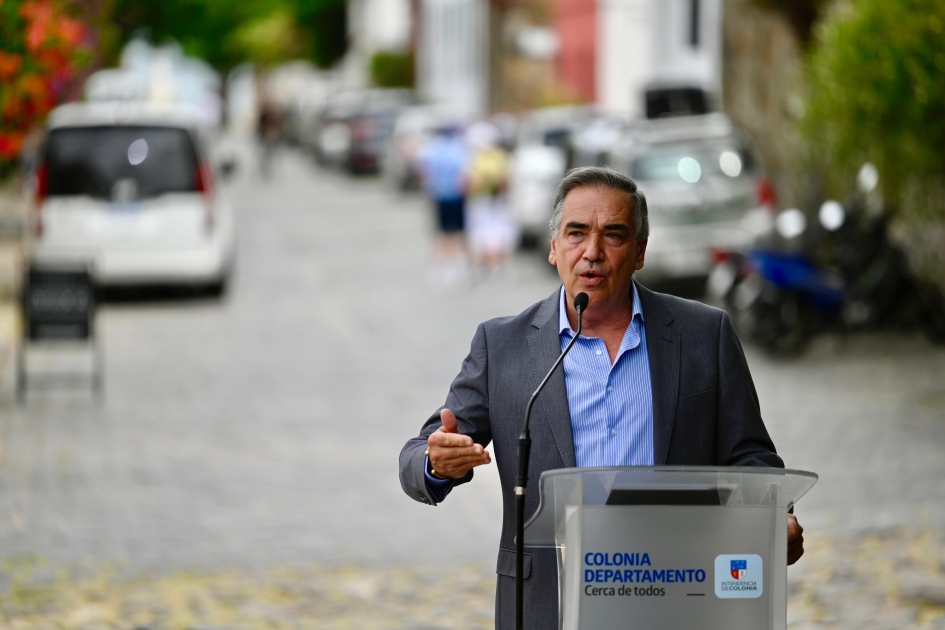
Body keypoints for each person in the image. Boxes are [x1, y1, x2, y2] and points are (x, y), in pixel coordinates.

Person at [399, 166, 805, 630]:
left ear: (639, 252)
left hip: (678, 593)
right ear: (553, 247)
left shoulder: (703, 334)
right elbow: (418, 455)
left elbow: (750, 456)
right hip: (550, 604)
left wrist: (774, 518)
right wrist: (435, 463)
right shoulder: (502, 346)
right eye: (576, 233)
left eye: (613, 235)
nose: (592, 252)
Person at [415, 125, 471, 286]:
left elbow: (422, 170)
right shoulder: (459, 147)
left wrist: (429, 186)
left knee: (442, 234)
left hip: (439, 196)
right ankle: (457, 270)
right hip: (457, 196)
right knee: (459, 234)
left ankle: (442, 270)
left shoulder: (432, 148)